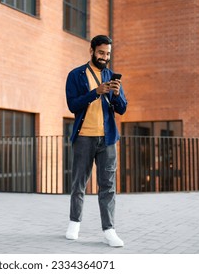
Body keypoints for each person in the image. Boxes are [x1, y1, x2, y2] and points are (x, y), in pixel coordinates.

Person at [65, 35, 127, 247]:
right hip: (84, 137)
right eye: (101, 53)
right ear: (91, 51)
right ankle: (74, 223)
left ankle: (109, 230)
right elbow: (72, 105)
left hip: (108, 139)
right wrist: (95, 92)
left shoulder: (111, 76)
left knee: (108, 185)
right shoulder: (76, 75)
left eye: (108, 54)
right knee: (79, 183)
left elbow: (122, 108)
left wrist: (117, 95)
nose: (105, 57)